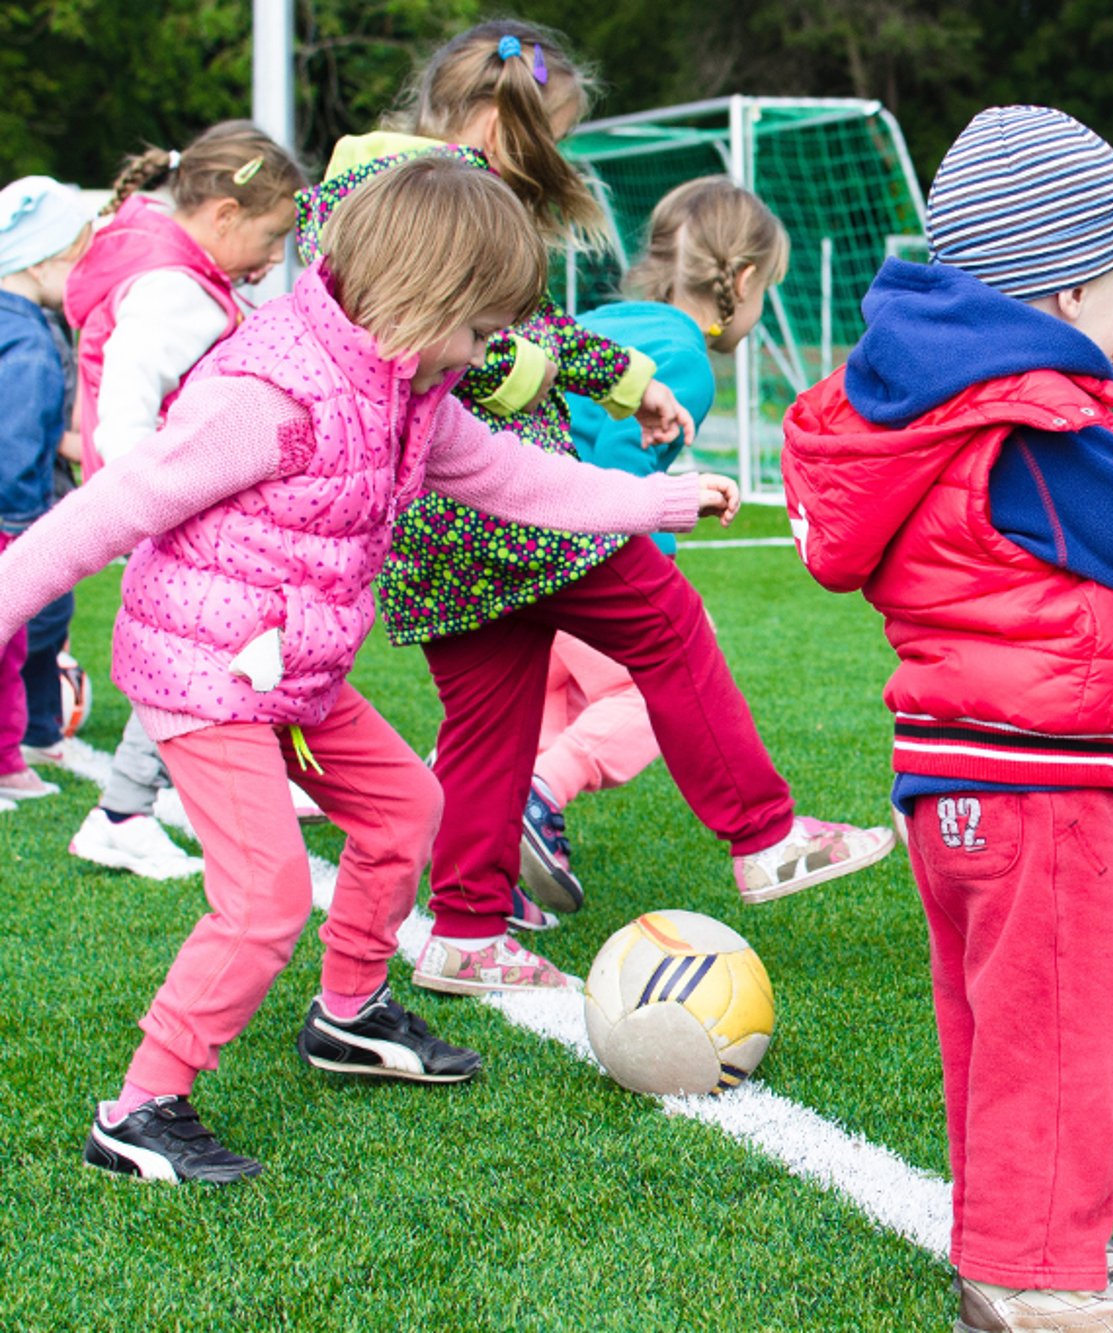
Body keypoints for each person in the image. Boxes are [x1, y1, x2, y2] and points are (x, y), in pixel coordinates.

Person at [0, 155, 741, 1186]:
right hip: (204, 673)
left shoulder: (409, 386)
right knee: (263, 897)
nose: (493, 354)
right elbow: (106, 511)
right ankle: (138, 1108)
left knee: (406, 809)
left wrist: (656, 502)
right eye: (484, 331)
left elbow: (510, 477)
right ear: (426, 297)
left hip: (293, 674)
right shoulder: (267, 394)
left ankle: (347, 1015)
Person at [295, 20, 892, 989]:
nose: (552, 162)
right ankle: (764, 834)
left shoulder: (365, 184)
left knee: (490, 719)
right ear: (497, 123)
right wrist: (558, 391)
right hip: (505, 503)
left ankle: (466, 932)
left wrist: (628, 383)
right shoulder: (430, 196)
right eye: (550, 139)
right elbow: (469, 347)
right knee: (667, 625)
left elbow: (525, 325)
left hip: (430, 528)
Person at [782, 106, 1113, 1333]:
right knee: (1067, 1030)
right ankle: (1031, 1278)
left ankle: (1010, 1235)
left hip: (955, 773)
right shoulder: (1031, 417)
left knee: (996, 1024)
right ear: (1071, 286)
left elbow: (1002, 574)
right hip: (1030, 784)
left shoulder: (938, 406)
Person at [523, 175, 788, 917]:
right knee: (650, 683)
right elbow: (614, 479)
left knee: (537, 701)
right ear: (739, 280)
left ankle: (477, 824)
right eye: (766, 288)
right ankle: (540, 793)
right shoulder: (683, 360)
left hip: (506, 549)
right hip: (564, 551)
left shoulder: (607, 319)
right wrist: (658, 558)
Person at [62, 121, 309, 880]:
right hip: (171, 509)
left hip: (173, 504)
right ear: (224, 216)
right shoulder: (175, 292)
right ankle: (124, 812)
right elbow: (128, 411)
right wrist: (156, 502)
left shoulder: (177, 267)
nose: (274, 264)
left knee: (220, 645)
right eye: (271, 239)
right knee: (198, 653)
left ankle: (158, 799)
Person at [0, 176, 94, 812]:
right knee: (9, 642)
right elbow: (15, 443)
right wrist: (26, 524)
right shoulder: (29, 338)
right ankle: (8, 764)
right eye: (78, 256)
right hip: (12, 518)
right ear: (42, 260)